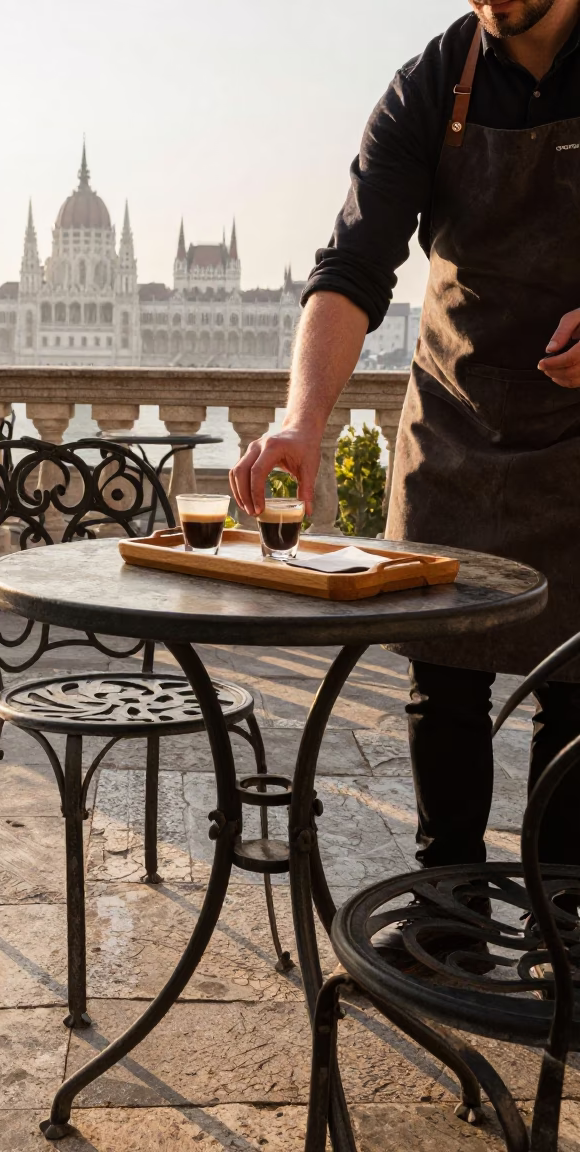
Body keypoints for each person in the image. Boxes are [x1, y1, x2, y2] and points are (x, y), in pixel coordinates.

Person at [230, 0, 580, 948]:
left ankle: (565, 924)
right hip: (456, 421)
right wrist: (301, 420)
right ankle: (446, 912)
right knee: (443, 678)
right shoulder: (431, 86)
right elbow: (353, 267)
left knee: (579, 690)